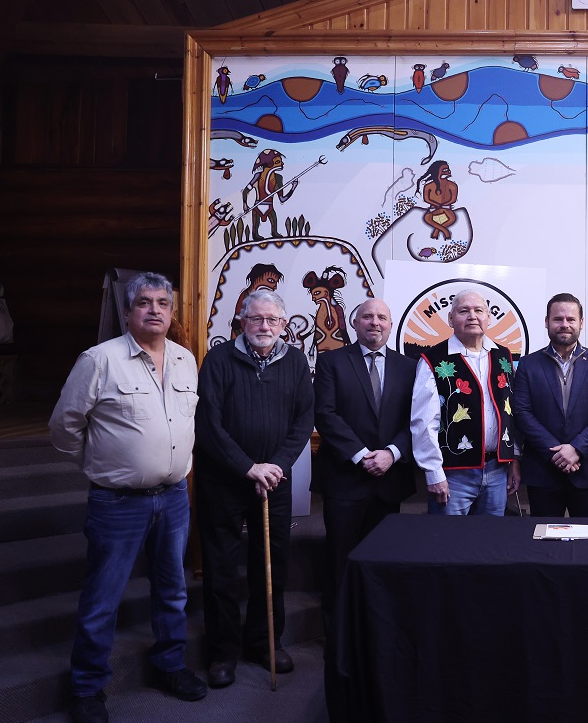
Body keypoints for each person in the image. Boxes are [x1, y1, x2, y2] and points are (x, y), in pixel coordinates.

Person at [49, 272, 207, 723]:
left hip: (174, 497)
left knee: (172, 591)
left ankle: (169, 665)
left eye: (163, 302)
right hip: (118, 503)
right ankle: (87, 689)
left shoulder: (184, 359)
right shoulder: (99, 360)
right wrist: (103, 463)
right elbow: (64, 427)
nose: (155, 309)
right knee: (102, 598)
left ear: (172, 312)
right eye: (144, 302)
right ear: (126, 311)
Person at [194, 288, 313, 688]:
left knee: (272, 564)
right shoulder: (219, 359)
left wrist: (275, 465)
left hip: (274, 481)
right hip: (224, 480)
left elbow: (303, 421)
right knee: (221, 568)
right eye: (256, 319)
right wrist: (248, 467)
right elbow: (208, 424)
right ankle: (223, 652)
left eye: (272, 320)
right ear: (242, 321)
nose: (264, 326)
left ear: (284, 325)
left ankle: (265, 643)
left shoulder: (295, 361)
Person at [313, 297, 418, 721]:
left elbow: (418, 420)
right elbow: (326, 414)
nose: (374, 322)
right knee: (340, 560)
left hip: (388, 480)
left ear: (391, 325)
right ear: (354, 322)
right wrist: (361, 455)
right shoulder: (333, 362)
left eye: (382, 317)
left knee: (383, 562)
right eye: (367, 316)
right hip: (346, 479)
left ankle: (377, 632)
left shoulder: (410, 367)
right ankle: (337, 638)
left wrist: (391, 453)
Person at [411, 290, 519, 514]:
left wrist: (514, 461)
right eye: (464, 311)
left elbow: (512, 413)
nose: (472, 316)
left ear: (488, 318)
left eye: (478, 310)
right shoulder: (433, 359)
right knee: (448, 544)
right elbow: (423, 422)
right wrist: (433, 473)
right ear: (450, 319)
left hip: (498, 471)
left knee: (489, 543)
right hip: (453, 475)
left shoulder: (504, 356)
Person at [512, 293, 588, 517]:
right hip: (543, 471)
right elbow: (522, 413)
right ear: (546, 322)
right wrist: (556, 453)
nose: (564, 324)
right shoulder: (528, 364)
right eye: (558, 319)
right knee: (543, 545)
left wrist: (577, 449)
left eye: (571, 319)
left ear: (581, 323)